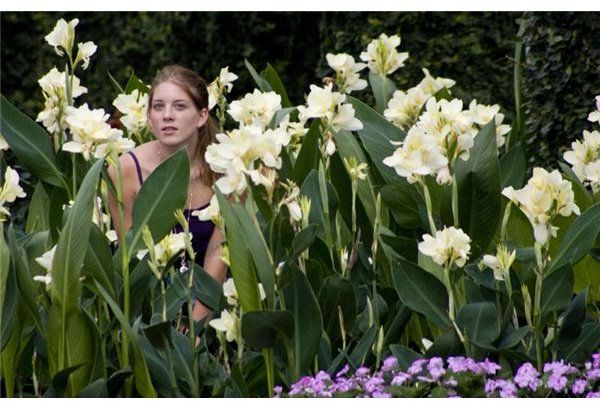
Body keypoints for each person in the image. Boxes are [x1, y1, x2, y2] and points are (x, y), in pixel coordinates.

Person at [107, 65, 227, 323]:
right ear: (149, 118)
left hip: (213, 306)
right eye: (158, 107)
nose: (167, 116)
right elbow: (132, 255)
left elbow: (219, 253)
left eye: (180, 106)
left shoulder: (225, 169)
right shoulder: (124, 170)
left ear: (202, 116)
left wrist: (195, 327)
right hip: (150, 310)